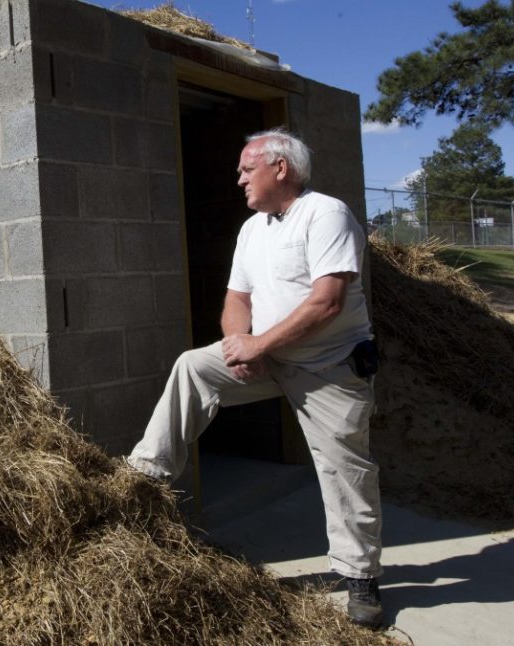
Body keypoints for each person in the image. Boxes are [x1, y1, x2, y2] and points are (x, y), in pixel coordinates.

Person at [126, 128, 384, 629]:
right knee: (194, 367)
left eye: (247, 168)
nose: (239, 177)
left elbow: (327, 301)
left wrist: (260, 344)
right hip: (269, 358)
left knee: (344, 471)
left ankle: (360, 578)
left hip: (328, 368)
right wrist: (238, 346)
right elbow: (237, 300)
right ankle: (144, 477)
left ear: (280, 168)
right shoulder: (253, 228)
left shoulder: (326, 214)